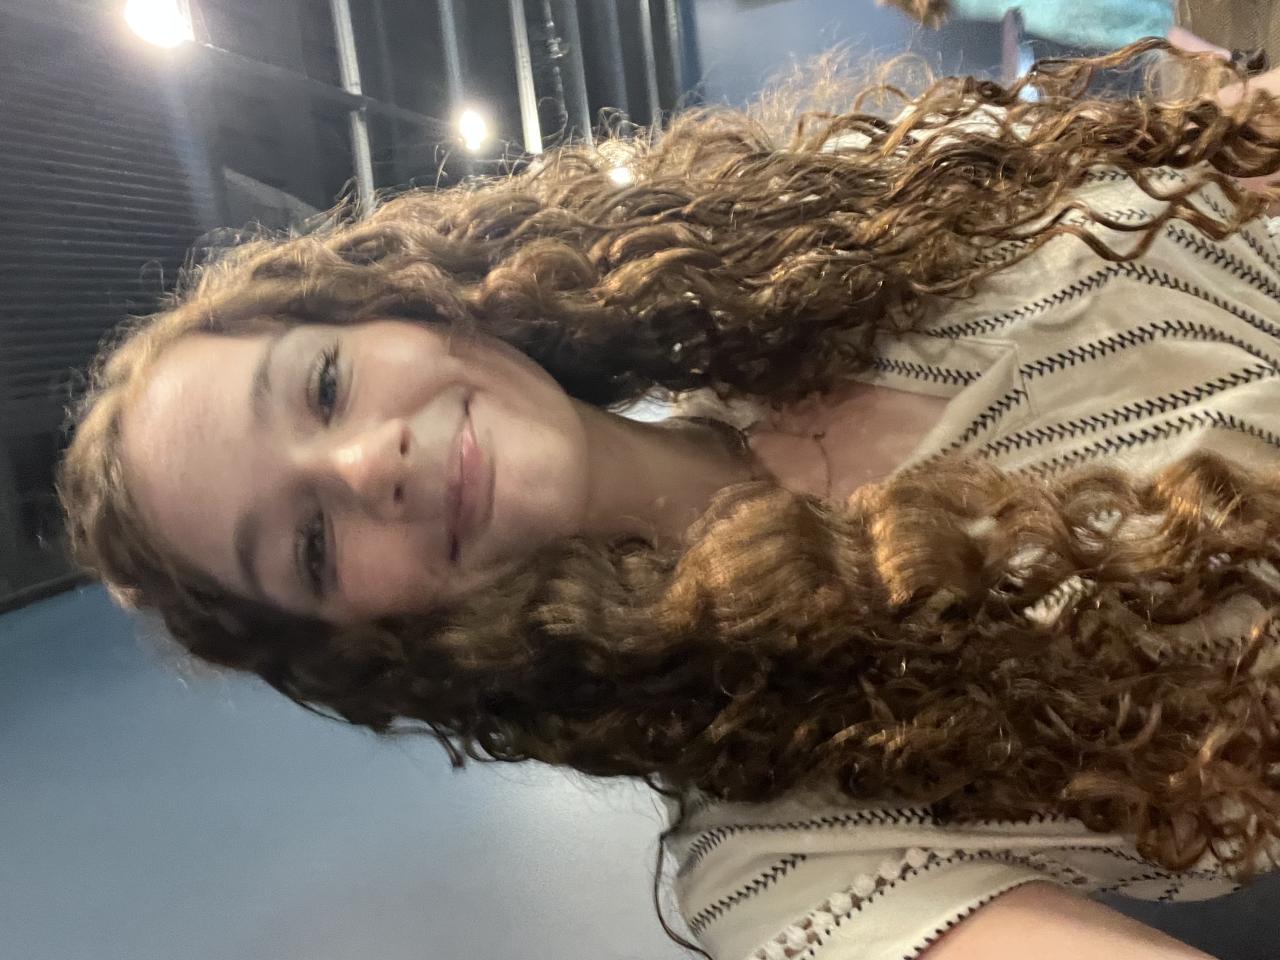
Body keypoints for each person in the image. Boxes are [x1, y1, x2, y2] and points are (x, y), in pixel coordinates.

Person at [59, 42, 1280, 960]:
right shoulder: (782, 851)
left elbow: (1227, 154)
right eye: (310, 545)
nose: (360, 467)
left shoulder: (858, 219)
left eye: (324, 387)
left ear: (399, 304)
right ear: (362, 637)